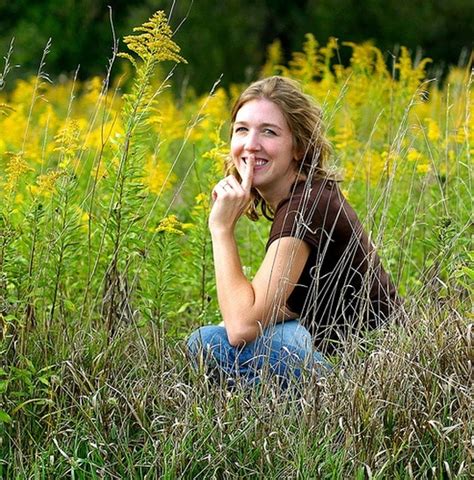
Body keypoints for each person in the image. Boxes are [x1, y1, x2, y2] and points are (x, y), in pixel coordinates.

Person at [187, 76, 399, 388]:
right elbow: (278, 307)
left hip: (371, 370)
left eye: (269, 132)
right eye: (242, 129)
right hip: (334, 356)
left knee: (281, 342)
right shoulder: (304, 196)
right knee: (206, 342)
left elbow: (243, 325)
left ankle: (302, 413)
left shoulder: (307, 205)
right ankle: (271, 414)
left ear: (298, 147)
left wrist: (221, 230)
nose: (250, 144)